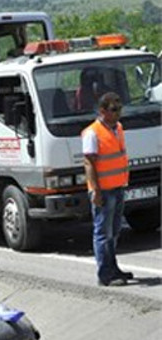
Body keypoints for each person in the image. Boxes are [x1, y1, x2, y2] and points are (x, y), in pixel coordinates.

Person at [82, 92, 132, 287]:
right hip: (103, 190)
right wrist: (95, 190)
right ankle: (105, 274)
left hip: (118, 186)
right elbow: (89, 164)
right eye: (114, 110)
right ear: (102, 111)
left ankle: (114, 267)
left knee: (114, 231)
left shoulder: (118, 128)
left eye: (119, 109)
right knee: (103, 233)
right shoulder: (92, 133)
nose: (118, 113)